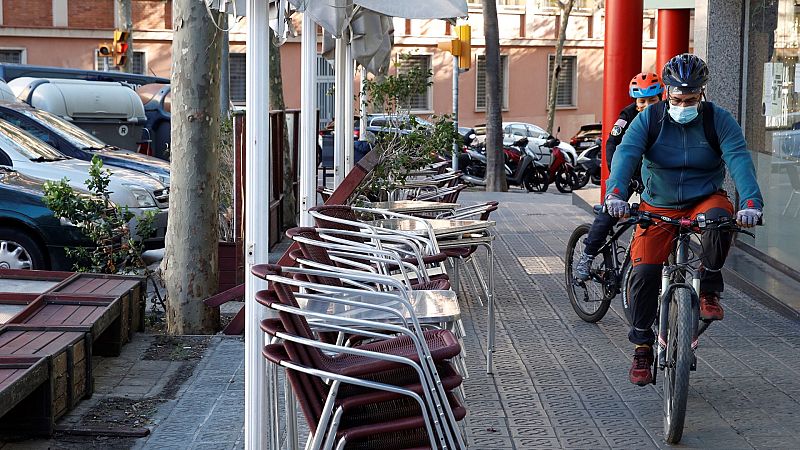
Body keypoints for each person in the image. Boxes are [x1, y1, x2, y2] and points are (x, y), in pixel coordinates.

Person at [605, 53, 763, 386]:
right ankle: (643, 346)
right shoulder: (649, 120)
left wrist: (750, 202)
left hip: (703, 197)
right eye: (677, 98)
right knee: (645, 271)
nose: (683, 104)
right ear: (667, 93)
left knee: (721, 221)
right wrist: (615, 195)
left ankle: (708, 288)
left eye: (691, 99)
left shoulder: (718, 120)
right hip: (658, 203)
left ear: (702, 93)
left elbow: (738, 159)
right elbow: (626, 155)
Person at [574, 72, 664, 280]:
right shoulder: (627, 116)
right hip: (628, 171)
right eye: (642, 101)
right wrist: (618, 175)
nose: (647, 105)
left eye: (653, 100)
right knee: (609, 211)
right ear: (635, 101)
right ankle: (587, 256)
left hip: (653, 175)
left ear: (661, 98)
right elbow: (612, 144)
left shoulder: (667, 115)